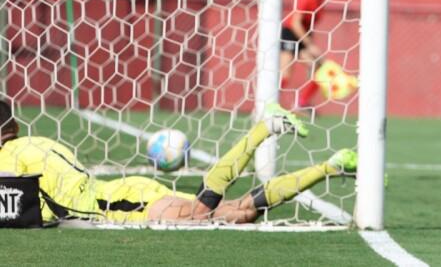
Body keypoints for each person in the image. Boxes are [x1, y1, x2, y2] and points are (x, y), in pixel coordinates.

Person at [0, 99, 356, 224]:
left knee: (201, 213)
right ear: (14, 125)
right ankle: (333, 165)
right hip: (125, 193)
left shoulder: (8, 162)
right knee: (241, 214)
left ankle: (266, 126)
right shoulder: (37, 140)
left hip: (118, 205)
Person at [280, 0, 327, 108]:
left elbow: (309, 23)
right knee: (285, 74)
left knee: (320, 69)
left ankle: (301, 103)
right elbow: (295, 23)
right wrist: (310, 45)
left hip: (303, 37)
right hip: (290, 33)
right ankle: (268, 102)